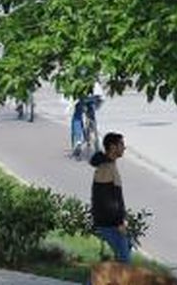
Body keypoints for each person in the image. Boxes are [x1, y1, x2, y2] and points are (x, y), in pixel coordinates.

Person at [90, 132, 131, 263]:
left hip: (112, 223)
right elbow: (105, 199)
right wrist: (119, 222)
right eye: (121, 144)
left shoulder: (110, 164)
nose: (124, 147)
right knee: (124, 260)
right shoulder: (105, 168)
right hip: (109, 224)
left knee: (124, 255)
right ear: (113, 147)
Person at [71, 80, 105, 158]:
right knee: (91, 112)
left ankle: (78, 140)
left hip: (81, 96)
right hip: (94, 95)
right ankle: (95, 134)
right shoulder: (92, 76)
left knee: (77, 116)